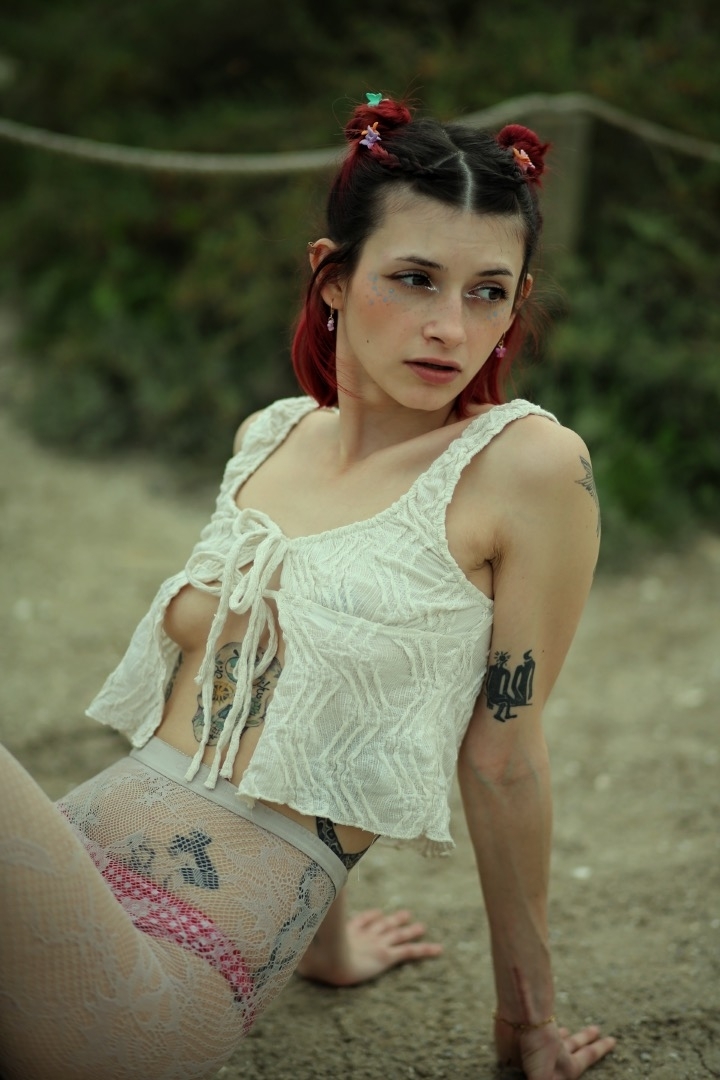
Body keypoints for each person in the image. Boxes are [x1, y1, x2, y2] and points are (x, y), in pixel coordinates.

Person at [0, 94, 616, 1079]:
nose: (449, 327)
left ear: (518, 301)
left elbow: (506, 761)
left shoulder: (527, 469)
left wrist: (527, 1020)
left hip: (148, 980)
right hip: (58, 887)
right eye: (414, 279)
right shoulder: (270, 436)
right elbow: (305, 723)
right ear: (332, 277)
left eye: (487, 292)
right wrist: (326, 947)